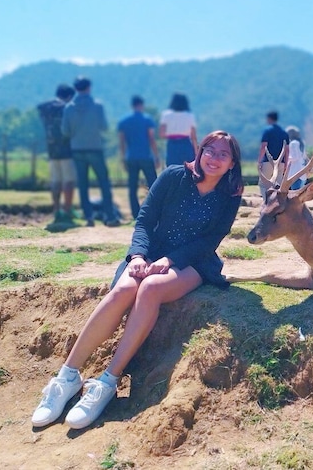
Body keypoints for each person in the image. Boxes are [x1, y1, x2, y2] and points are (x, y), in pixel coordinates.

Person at [31, 130, 244, 430]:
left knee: (152, 288)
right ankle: (67, 376)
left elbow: (210, 240)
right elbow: (144, 220)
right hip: (149, 253)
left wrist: (170, 261)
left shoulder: (229, 196)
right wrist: (139, 258)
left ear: (233, 163)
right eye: (211, 150)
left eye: (224, 154)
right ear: (200, 150)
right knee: (125, 289)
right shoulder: (172, 176)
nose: (215, 158)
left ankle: (107, 381)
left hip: (194, 262)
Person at [61, 76, 120, 227]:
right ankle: (110, 216)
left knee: (83, 184)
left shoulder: (69, 107)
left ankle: (89, 217)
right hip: (95, 147)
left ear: (76, 89)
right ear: (89, 88)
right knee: (104, 182)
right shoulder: (97, 105)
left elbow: (65, 131)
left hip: (77, 149)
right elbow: (104, 127)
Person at [37, 84, 76, 224]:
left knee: (55, 181)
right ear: (69, 96)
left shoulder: (45, 108)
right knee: (69, 181)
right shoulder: (67, 107)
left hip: (51, 149)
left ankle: (56, 209)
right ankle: (67, 210)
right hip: (67, 149)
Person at [117, 95, 161, 220]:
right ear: (142, 105)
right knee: (154, 185)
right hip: (146, 156)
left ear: (132, 105)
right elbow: (151, 139)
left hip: (131, 157)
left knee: (132, 186)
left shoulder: (124, 121)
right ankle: (154, 211)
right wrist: (156, 156)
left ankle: (136, 214)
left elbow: (122, 142)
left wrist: (123, 158)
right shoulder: (147, 120)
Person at [257, 111, 290, 201]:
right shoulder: (284, 133)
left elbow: (264, 146)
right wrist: (286, 164)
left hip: (268, 161)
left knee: (263, 184)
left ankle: (266, 203)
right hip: (281, 163)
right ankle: (276, 204)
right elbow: (287, 150)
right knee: (277, 185)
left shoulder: (267, 131)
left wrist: (259, 160)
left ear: (269, 118)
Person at [159, 93, 198, 166]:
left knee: (172, 168)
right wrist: (196, 151)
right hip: (186, 144)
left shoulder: (166, 115)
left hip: (172, 144)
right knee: (188, 168)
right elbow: (193, 136)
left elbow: (161, 134)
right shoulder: (190, 116)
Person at [285, 125, 307, 190]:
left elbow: (295, 157)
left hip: (295, 173)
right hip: (302, 172)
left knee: (295, 193)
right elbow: (304, 156)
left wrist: (286, 158)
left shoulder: (293, 143)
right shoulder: (301, 143)